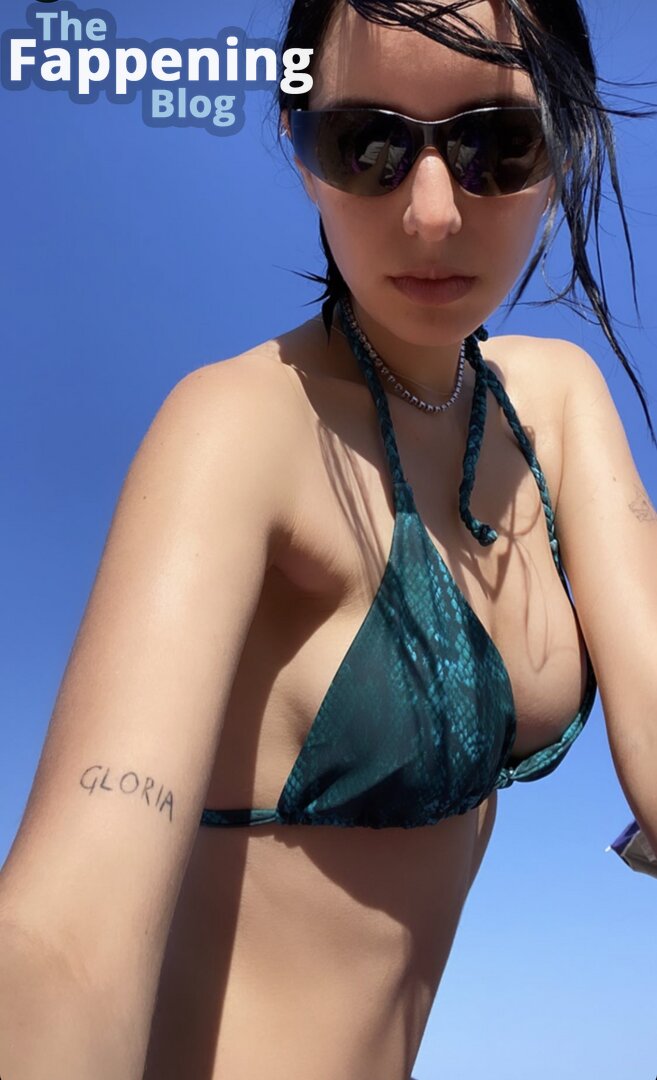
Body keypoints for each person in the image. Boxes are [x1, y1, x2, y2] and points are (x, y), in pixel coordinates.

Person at [1, 2, 656, 1078]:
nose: (433, 214)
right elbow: (66, 939)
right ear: (301, 149)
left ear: (565, 142)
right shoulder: (235, 431)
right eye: (369, 145)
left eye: (497, 144)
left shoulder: (557, 405)